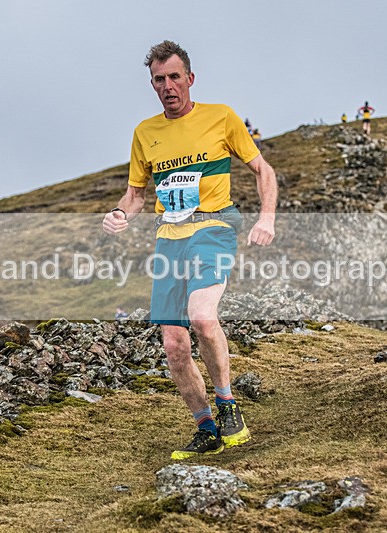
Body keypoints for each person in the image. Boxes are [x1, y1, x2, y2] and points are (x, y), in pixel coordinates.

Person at [102, 40, 277, 460]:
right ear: (153, 85)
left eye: (174, 77)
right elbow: (135, 195)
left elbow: (262, 169)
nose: (167, 86)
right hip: (169, 238)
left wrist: (266, 218)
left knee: (202, 317)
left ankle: (228, 403)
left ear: (190, 79)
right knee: (174, 344)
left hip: (213, 228)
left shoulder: (221, 117)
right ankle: (205, 426)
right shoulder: (145, 133)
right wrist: (118, 213)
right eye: (158, 80)